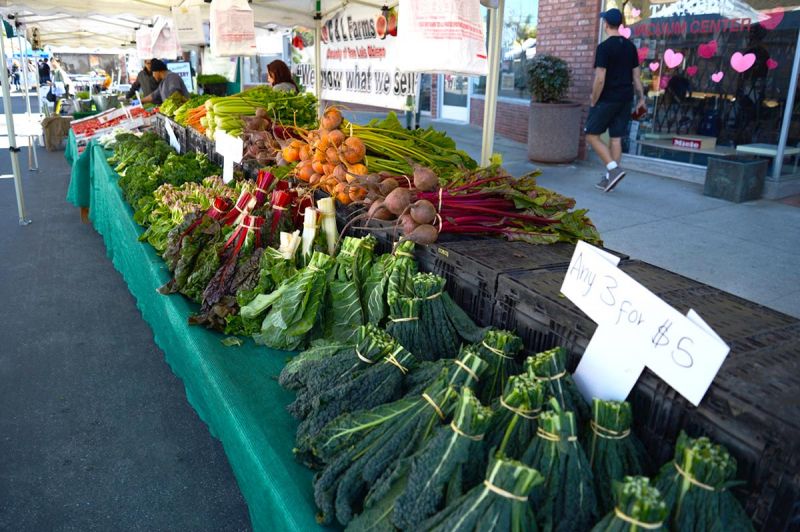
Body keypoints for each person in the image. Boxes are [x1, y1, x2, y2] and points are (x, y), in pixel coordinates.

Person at [584, 8, 646, 193]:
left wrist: (594, 99)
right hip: (625, 99)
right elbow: (636, 76)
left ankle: (613, 169)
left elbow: (600, 77)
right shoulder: (630, 47)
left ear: (606, 24)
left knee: (591, 135)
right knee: (616, 138)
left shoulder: (604, 48)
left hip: (607, 99)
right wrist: (641, 98)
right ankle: (609, 177)